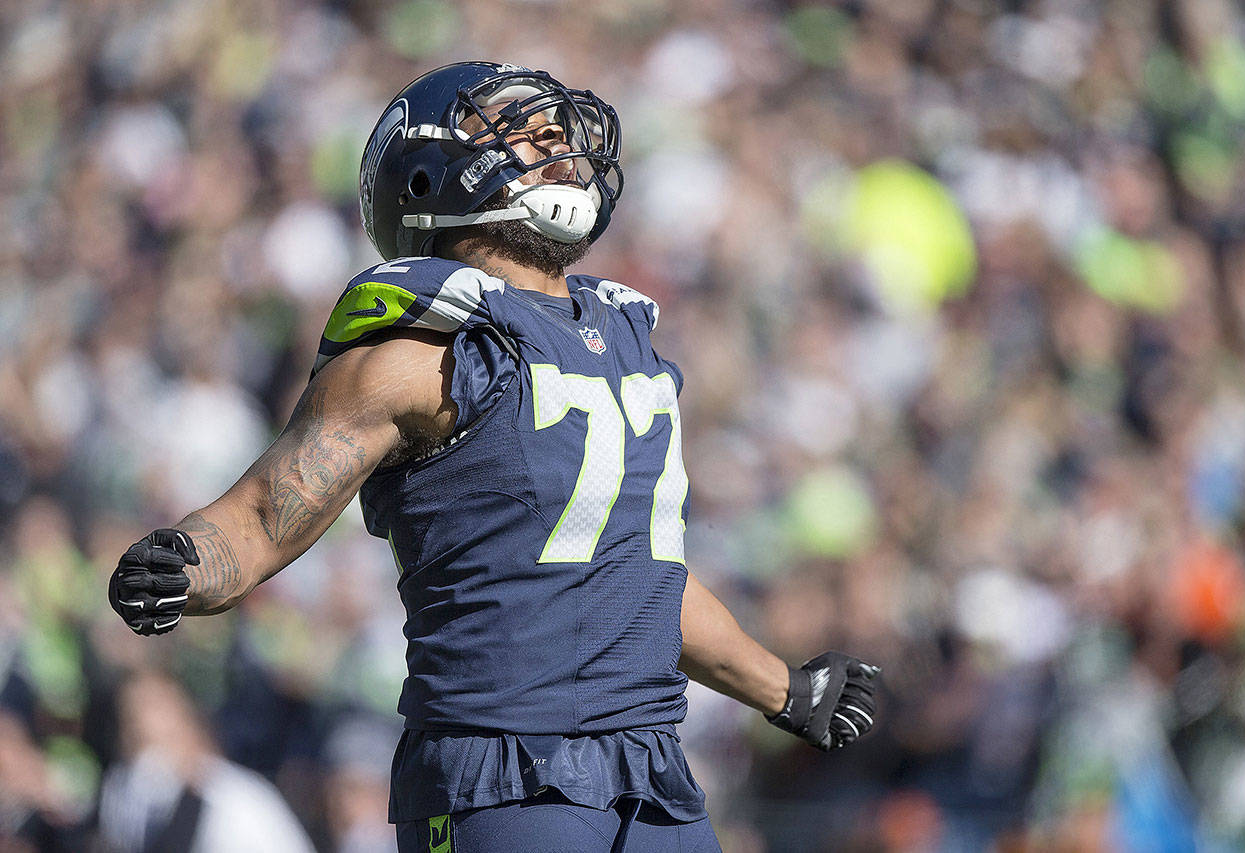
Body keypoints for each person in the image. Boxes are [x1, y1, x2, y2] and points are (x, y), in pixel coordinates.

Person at [108, 61, 880, 852]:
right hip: (499, 775)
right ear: (425, 171)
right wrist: (187, 560)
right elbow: (266, 516)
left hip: (652, 778)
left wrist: (785, 688)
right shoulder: (419, 354)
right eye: (518, 122)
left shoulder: (621, 341)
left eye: (554, 123)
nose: (554, 135)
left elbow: (637, 583)